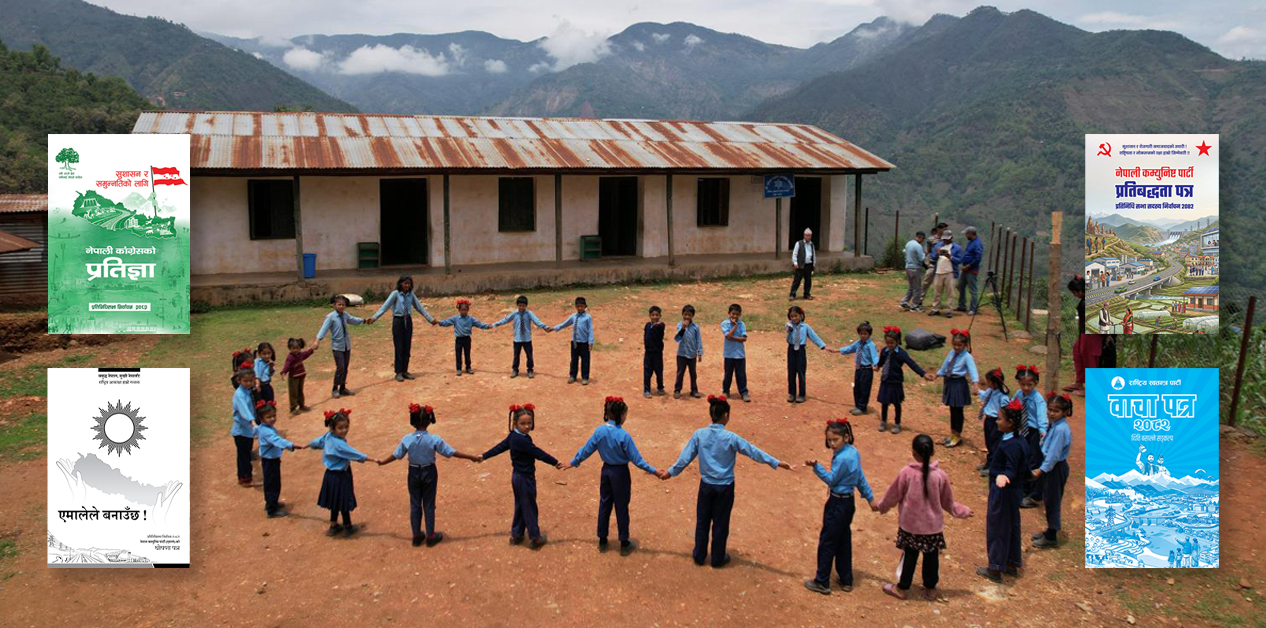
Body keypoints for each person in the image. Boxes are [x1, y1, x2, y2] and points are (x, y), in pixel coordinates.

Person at [663, 395, 793, 567]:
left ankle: (699, 555)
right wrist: (776, 462)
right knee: (720, 523)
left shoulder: (699, 435)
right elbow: (753, 451)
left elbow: (684, 458)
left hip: (706, 486)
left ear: (711, 415)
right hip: (724, 488)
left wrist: (670, 472)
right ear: (726, 416)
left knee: (702, 521)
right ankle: (717, 558)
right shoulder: (731, 438)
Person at [875, 434, 973, 601]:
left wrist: (881, 506)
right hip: (932, 527)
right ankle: (931, 589)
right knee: (931, 557)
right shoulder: (940, 475)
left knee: (910, 556)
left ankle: (902, 588)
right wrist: (962, 511)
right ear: (933, 451)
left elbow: (893, 495)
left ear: (913, 453)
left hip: (911, 526)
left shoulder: (906, 473)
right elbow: (948, 502)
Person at [378, 403, 483, 547]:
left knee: (415, 503)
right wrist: (471, 457)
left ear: (412, 421)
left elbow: (396, 455)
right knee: (428, 504)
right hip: (429, 472)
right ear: (429, 421)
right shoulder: (434, 439)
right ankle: (431, 535)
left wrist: (383, 462)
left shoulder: (407, 439)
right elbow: (451, 452)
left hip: (413, 471)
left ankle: (416, 535)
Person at [568, 396, 662, 556]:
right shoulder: (624, 436)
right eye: (625, 415)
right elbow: (637, 460)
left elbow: (587, 449)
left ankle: (602, 539)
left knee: (605, 503)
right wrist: (654, 471)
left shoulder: (600, 431)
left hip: (606, 472)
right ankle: (624, 541)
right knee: (621, 506)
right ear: (620, 415)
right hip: (620, 474)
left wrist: (574, 461)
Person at [802, 418, 873, 595]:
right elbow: (860, 477)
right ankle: (846, 578)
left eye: (835, 440)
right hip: (849, 503)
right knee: (843, 540)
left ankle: (822, 581)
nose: (832, 444)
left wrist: (816, 467)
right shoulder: (854, 453)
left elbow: (831, 480)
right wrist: (869, 497)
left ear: (846, 437)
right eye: (829, 440)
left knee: (827, 541)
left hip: (837, 504)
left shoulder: (842, 459)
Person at [482, 404, 567, 549]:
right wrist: (555, 462)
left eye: (529, 423)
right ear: (515, 423)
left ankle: (517, 535)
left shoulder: (514, 436)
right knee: (529, 506)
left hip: (516, 477)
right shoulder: (522, 440)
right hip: (525, 478)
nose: (527, 426)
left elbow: (500, 447)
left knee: (521, 505)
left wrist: (484, 456)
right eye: (523, 423)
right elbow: (538, 453)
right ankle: (535, 537)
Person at [977, 398, 1030, 582]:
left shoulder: (1011, 445)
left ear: (1010, 423)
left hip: (1003, 492)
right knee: (1012, 525)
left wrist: (1004, 477)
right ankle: (1011, 563)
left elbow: (1011, 468)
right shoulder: (1019, 440)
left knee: (998, 527)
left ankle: (995, 568)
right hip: (1014, 493)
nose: (997, 421)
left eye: (1000, 419)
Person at [310, 409, 381, 537]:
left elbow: (317, 442)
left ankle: (333, 525)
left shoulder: (328, 436)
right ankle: (347, 526)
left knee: (334, 500)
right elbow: (354, 454)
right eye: (340, 428)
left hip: (330, 475)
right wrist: (373, 459)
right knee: (343, 499)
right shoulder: (339, 445)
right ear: (332, 428)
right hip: (341, 475)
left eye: (346, 427)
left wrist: (308, 445)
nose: (344, 430)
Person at [369, 275, 437, 382]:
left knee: (407, 347)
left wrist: (430, 319)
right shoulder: (395, 294)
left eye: (408, 284)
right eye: (405, 283)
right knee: (399, 347)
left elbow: (420, 307)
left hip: (408, 321)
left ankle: (405, 371)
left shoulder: (411, 295)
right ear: (400, 283)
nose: (406, 285)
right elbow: (384, 307)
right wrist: (374, 318)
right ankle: (398, 372)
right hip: (398, 321)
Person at [874, 326, 933, 434]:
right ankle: (883, 422)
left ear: (897, 341)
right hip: (885, 381)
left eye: (892, 343)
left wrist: (923, 374)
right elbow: (881, 361)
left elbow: (912, 364)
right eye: (887, 342)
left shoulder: (901, 353)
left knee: (897, 404)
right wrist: (877, 367)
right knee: (884, 403)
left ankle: (897, 424)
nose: (889, 345)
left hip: (896, 382)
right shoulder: (884, 351)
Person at [1032, 393, 1073, 549]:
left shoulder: (1061, 430)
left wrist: (1041, 470)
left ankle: (1051, 536)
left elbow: (1054, 455)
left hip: (1056, 468)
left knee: (1053, 500)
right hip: (1052, 467)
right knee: (1048, 498)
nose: (1051, 413)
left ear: (1064, 412)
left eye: (1055, 411)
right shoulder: (1055, 425)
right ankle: (1049, 529)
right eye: (1049, 409)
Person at [927, 329, 979, 447]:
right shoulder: (952, 353)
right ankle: (952, 433)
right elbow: (946, 365)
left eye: (959, 345)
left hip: (959, 384)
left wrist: (975, 384)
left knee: (958, 411)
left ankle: (957, 435)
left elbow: (973, 370)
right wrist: (938, 374)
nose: (956, 347)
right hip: (950, 382)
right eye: (954, 345)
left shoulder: (967, 357)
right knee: (952, 410)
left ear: (965, 344)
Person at [314, 294, 373, 399]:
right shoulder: (330, 317)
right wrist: (317, 340)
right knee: (340, 367)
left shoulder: (345, 315)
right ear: (334, 305)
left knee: (345, 367)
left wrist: (363, 320)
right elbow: (324, 329)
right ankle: (335, 388)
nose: (341, 307)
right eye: (339, 305)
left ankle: (343, 387)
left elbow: (352, 319)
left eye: (343, 305)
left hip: (346, 345)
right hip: (337, 347)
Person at [253, 400, 304, 518]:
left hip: (269, 459)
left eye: (274, 416)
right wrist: (291, 445)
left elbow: (256, 429)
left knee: (270, 483)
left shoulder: (263, 427)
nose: (272, 419)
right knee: (273, 484)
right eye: (268, 417)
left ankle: (271, 503)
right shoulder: (267, 431)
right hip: (270, 461)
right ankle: (272, 509)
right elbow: (277, 440)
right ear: (261, 418)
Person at [1013, 365, 1049, 508]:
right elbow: (1013, 404)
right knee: (1022, 457)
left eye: (1030, 385)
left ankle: (1031, 492)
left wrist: (1042, 432)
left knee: (1033, 460)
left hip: (1034, 433)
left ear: (1035, 383)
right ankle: (1022, 486)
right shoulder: (1019, 394)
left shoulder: (1038, 399)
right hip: (1022, 430)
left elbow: (1041, 417)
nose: (1026, 387)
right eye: (1023, 384)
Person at [492, 295, 552, 379]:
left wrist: (545, 327)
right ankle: (515, 370)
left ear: (526, 305)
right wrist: (495, 324)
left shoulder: (529, 313)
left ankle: (530, 370)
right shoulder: (514, 313)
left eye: (523, 305)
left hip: (527, 339)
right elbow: (505, 320)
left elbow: (537, 321)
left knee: (529, 355)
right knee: (516, 355)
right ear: (517, 305)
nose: (521, 307)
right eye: (520, 305)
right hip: (517, 339)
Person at [438, 298, 494, 376]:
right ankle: (459, 369)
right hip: (458, 339)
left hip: (467, 339)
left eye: (465, 310)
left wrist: (487, 326)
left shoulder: (471, 319)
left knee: (467, 354)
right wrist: (439, 322)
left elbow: (479, 324)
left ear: (468, 310)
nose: (463, 311)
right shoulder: (455, 319)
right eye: (462, 309)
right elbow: (447, 322)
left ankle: (468, 367)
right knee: (458, 354)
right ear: (459, 310)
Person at [785, 305, 829, 403]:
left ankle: (801, 394)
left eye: (796, 316)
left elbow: (814, 337)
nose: (794, 318)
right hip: (791, 350)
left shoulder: (806, 327)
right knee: (791, 372)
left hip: (800, 350)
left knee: (801, 372)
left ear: (801, 315)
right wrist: (789, 328)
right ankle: (792, 393)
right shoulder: (789, 325)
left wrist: (823, 346)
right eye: (791, 316)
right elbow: (787, 329)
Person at [1065, 276, 1100, 395]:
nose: (1074, 295)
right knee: (1078, 353)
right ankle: (1079, 382)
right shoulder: (1086, 299)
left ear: (1079, 291)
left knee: (1089, 357)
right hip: (1084, 332)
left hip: (1091, 333)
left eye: (1074, 292)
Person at [837, 321, 880, 416]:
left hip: (867, 369)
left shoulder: (870, 345)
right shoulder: (858, 343)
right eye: (861, 333)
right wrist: (837, 350)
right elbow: (850, 348)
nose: (863, 336)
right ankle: (857, 405)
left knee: (865, 389)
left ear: (869, 334)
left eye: (865, 334)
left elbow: (875, 357)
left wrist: (876, 365)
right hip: (858, 369)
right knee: (857, 388)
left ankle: (862, 407)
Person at [553, 296, 595, 385]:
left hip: (584, 343)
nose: (580, 308)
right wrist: (556, 328)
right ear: (575, 307)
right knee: (574, 360)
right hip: (574, 343)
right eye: (578, 306)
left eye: (582, 306)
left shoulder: (588, 317)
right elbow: (565, 323)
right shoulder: (573, 316)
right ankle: (572, 376)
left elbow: (590, 329)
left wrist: (590, 341)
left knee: (585, 361)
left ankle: (585, 377)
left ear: (585, 306)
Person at [976, 368, 1010, 477]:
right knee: (989, 443)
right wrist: (977, 391)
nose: (987, 383)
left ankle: (993, 467)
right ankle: (988, 463)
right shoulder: (991, 391)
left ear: (995, 383)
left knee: (995, 445)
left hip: (996, 422)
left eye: (989, 381)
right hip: (989, 420)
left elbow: (1006, 409)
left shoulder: (1003, 396)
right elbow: (984, 396)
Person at [230, 365, 258, 486]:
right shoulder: (239, 395)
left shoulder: (247, 391)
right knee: (244, 456)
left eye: (251, 380)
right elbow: (244, 410)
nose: (248, 383)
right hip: (242, 431)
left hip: (247, 430)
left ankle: (244, 476)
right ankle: (245, 478)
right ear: (239, 381)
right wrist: (252, 421)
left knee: (245, 454)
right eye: (245, 381)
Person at [927, 230, 962, 318]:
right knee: (937, 292)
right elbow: (933, 257)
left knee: (950, 292)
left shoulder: (957, 248)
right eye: (944, 239)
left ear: (951, 238)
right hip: (938, 272)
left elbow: (959, 260)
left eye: (947, 239)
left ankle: (949, 310)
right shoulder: (938, 246)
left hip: (950, 272)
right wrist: (937, 254)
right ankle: (935, 308)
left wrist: (950, 257)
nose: (945, 241)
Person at [914, 222, 947, 311]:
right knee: (926, 283)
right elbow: (928, 251)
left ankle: (936, 304)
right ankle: (919, 301)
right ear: (940, 229)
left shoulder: (946, 240)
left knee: (939, 286)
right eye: (944, 229)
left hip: (942, 265)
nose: (946, 231)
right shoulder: (931, 239)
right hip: (933, 264)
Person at [720, 304, 749, 402]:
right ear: (729, 313)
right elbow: (728, 336)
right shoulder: (725, 323)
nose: (735, 316)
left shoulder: (742, 324)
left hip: (739, 354)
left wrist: (733, 337)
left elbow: (744, 339)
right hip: (728, 354)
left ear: (740, 314)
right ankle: (725, 390)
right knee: (728, 374)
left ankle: (744, 392)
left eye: (737, 314)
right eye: (733, 314)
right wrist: (735, 327)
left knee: (741, 374)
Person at [673, 304, 704, 399]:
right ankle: (677, 390)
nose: (687, 317)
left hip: (692, 354)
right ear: (682, 314)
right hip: (681, 354)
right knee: (680, 372)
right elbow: (677, 338)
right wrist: (683, 328)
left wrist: (700, 352)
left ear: (692, 316)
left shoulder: (696, 327)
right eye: (685, 314)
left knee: (693, 373)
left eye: (689, 315)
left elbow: (698, 339)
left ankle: (694, 390)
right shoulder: (679, 324)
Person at [279, 338, 315, 415]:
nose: (295, 350)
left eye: (297, 348)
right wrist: (283, 372)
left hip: (301, 375)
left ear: (300, 348)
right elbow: (287, 365)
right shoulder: (290, 357)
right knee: (293, 392)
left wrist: (312, 349)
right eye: (293, 348)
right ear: (290, 348)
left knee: (300, 391)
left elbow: (307, 353)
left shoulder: (301, 354)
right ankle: (293, 408)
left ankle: (301, 405)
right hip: (293, 377)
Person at [955, 226, 984, 315]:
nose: (966, 236)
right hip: (965, 269)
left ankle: (973, 308)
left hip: (971, 269)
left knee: (973, 290)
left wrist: (969, 265)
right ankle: (962, 305)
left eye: (967, 234)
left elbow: (978, 257)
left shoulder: (977, 244)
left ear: (971, 234)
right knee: (960, 286)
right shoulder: (971, 242)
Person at [643, 306, 666, 398]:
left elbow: (661, 326)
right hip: (648, 353)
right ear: (649, 316)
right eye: (653, 315)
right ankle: (646, 390)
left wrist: (657, 325)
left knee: (659, 371)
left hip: (657, 353)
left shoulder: (661, 325)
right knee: (647, 372)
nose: (655, 317)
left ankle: (660, 387)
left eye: (657, 315)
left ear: (660, 316)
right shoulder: (647, 325)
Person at [900, 232, 927, 311]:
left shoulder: (909, 243)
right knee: (917, 288)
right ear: (921, 237)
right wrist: (925, 254)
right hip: (915, 268)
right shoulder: (918, 246)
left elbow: (904, 251)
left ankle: (904, 301)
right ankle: (915, 305)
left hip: (908, 267)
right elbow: (921, 258)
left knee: (911, 286)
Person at [790, 228, 816, 300]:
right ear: (804, 235)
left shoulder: (812, 244)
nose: (808, 237)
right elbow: (794, 254)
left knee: (808, 281)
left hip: (808, 265)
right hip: (800, 265)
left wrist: (813, 265)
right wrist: (795, 262)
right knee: (797, 280)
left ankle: (807, 294)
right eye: (807, 235)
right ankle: (792, 294)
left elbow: (813, 254)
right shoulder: (799, 243)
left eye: (810, 236)